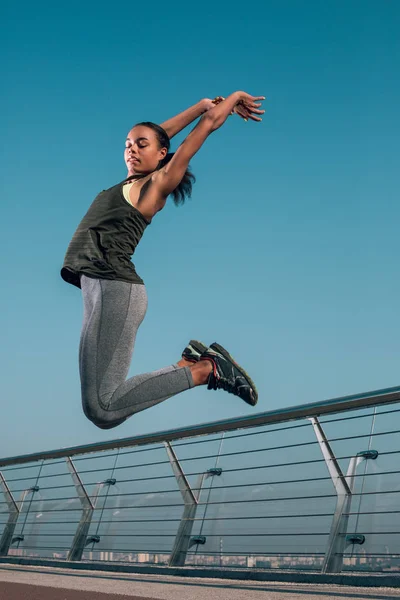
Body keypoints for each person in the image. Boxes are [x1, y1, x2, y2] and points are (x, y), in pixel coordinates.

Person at [61, 91, 265, 430]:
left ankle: (204, 370)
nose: (132, 149)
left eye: (141, 145)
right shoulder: (128, 182)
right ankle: (192, 364)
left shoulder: (154, 185)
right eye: (128, 143)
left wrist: (231, 101)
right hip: (97, 291)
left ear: (161, 155)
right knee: (98, 405)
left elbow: (188, 137)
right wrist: (200, 105)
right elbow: (159, 136)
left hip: (116, 290)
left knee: (102, 408)